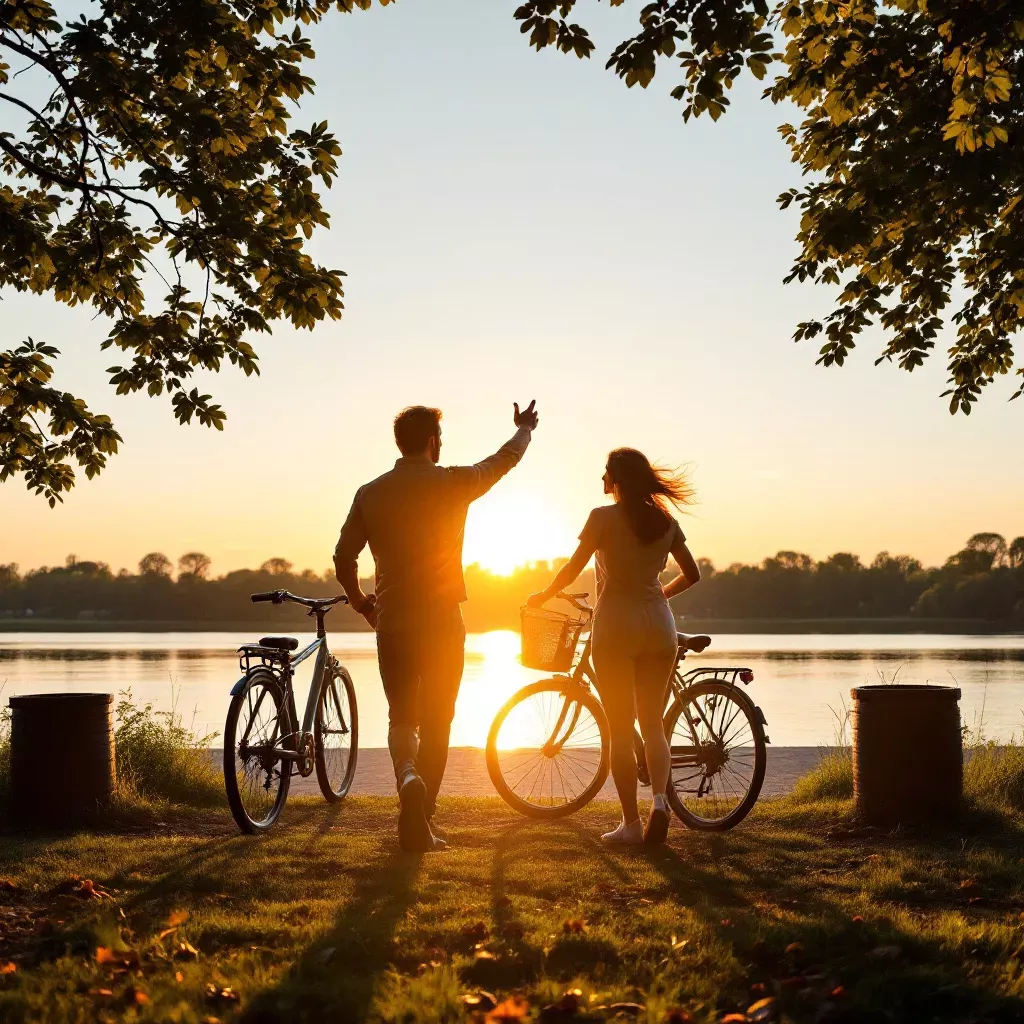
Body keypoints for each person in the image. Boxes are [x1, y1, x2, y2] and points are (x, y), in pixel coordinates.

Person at [334, 401, 540, 852]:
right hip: (444, 622)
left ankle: (407, 775)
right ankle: (421, 820)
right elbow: (503, 460)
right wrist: (524, 429)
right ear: (432, 441)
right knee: (439, 720)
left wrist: (364, 605)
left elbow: (343, 557)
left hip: (393, 622)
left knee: (402, 715)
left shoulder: (370, 492)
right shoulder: (452, 482)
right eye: (440, 439)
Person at [527, 448, 700, 846]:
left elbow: (573, 567)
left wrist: (544, 594)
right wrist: (658, 598)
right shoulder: (666, 522)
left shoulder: (602, 518)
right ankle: (660, 802)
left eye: (605, 473)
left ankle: (631, 825)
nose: (602, 480)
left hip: (616, 625)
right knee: (653, 724)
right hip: (660, 625)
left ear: (617, 480)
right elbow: (693, 574)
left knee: (621, 730)